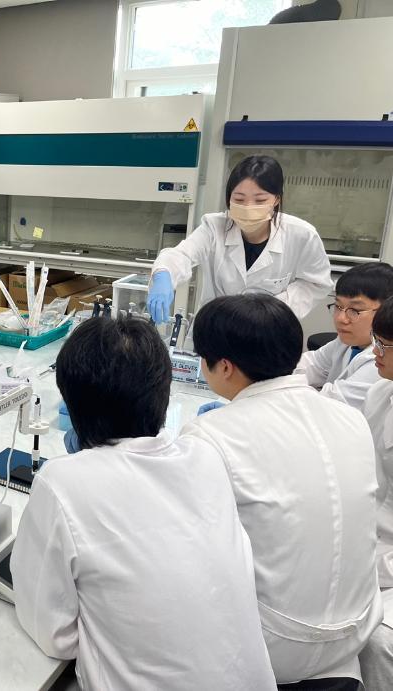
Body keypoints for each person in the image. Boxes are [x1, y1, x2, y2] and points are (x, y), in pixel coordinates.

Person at [12, 317, 275, 690]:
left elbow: (55, 636)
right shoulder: (205, 457)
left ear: (72, 401)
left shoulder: (62, 483)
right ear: (164, 391)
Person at [183, 294, 381, 688]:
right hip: (356, 631)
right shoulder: (350, 418)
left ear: (224, 366)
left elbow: (191, 551)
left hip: (273, 646)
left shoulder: (211, 434)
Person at [148, 155, 332, 323]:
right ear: (229, 198)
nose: (248, 207)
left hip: (268, 330)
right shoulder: (214, 226)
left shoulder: (301, 235)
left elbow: (316, 283)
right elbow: (182, 255)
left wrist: (273, 309)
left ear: (276, 199)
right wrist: (164, 275)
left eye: (260, 200)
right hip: (217, 328)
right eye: (239, 199)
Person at [296, 262, 393, 409]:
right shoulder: (347, 342)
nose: (341, 318)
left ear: (384, 311)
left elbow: (333, 404)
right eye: (338, 306)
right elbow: (310, 364)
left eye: (355, 310)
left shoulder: (383, 361)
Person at [358, 297, 393, 689]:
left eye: (384, 345)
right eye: (376, 340)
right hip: (372, 543)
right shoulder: (380, 393)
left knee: (379, 640)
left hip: (386, 562)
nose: (374, 353)